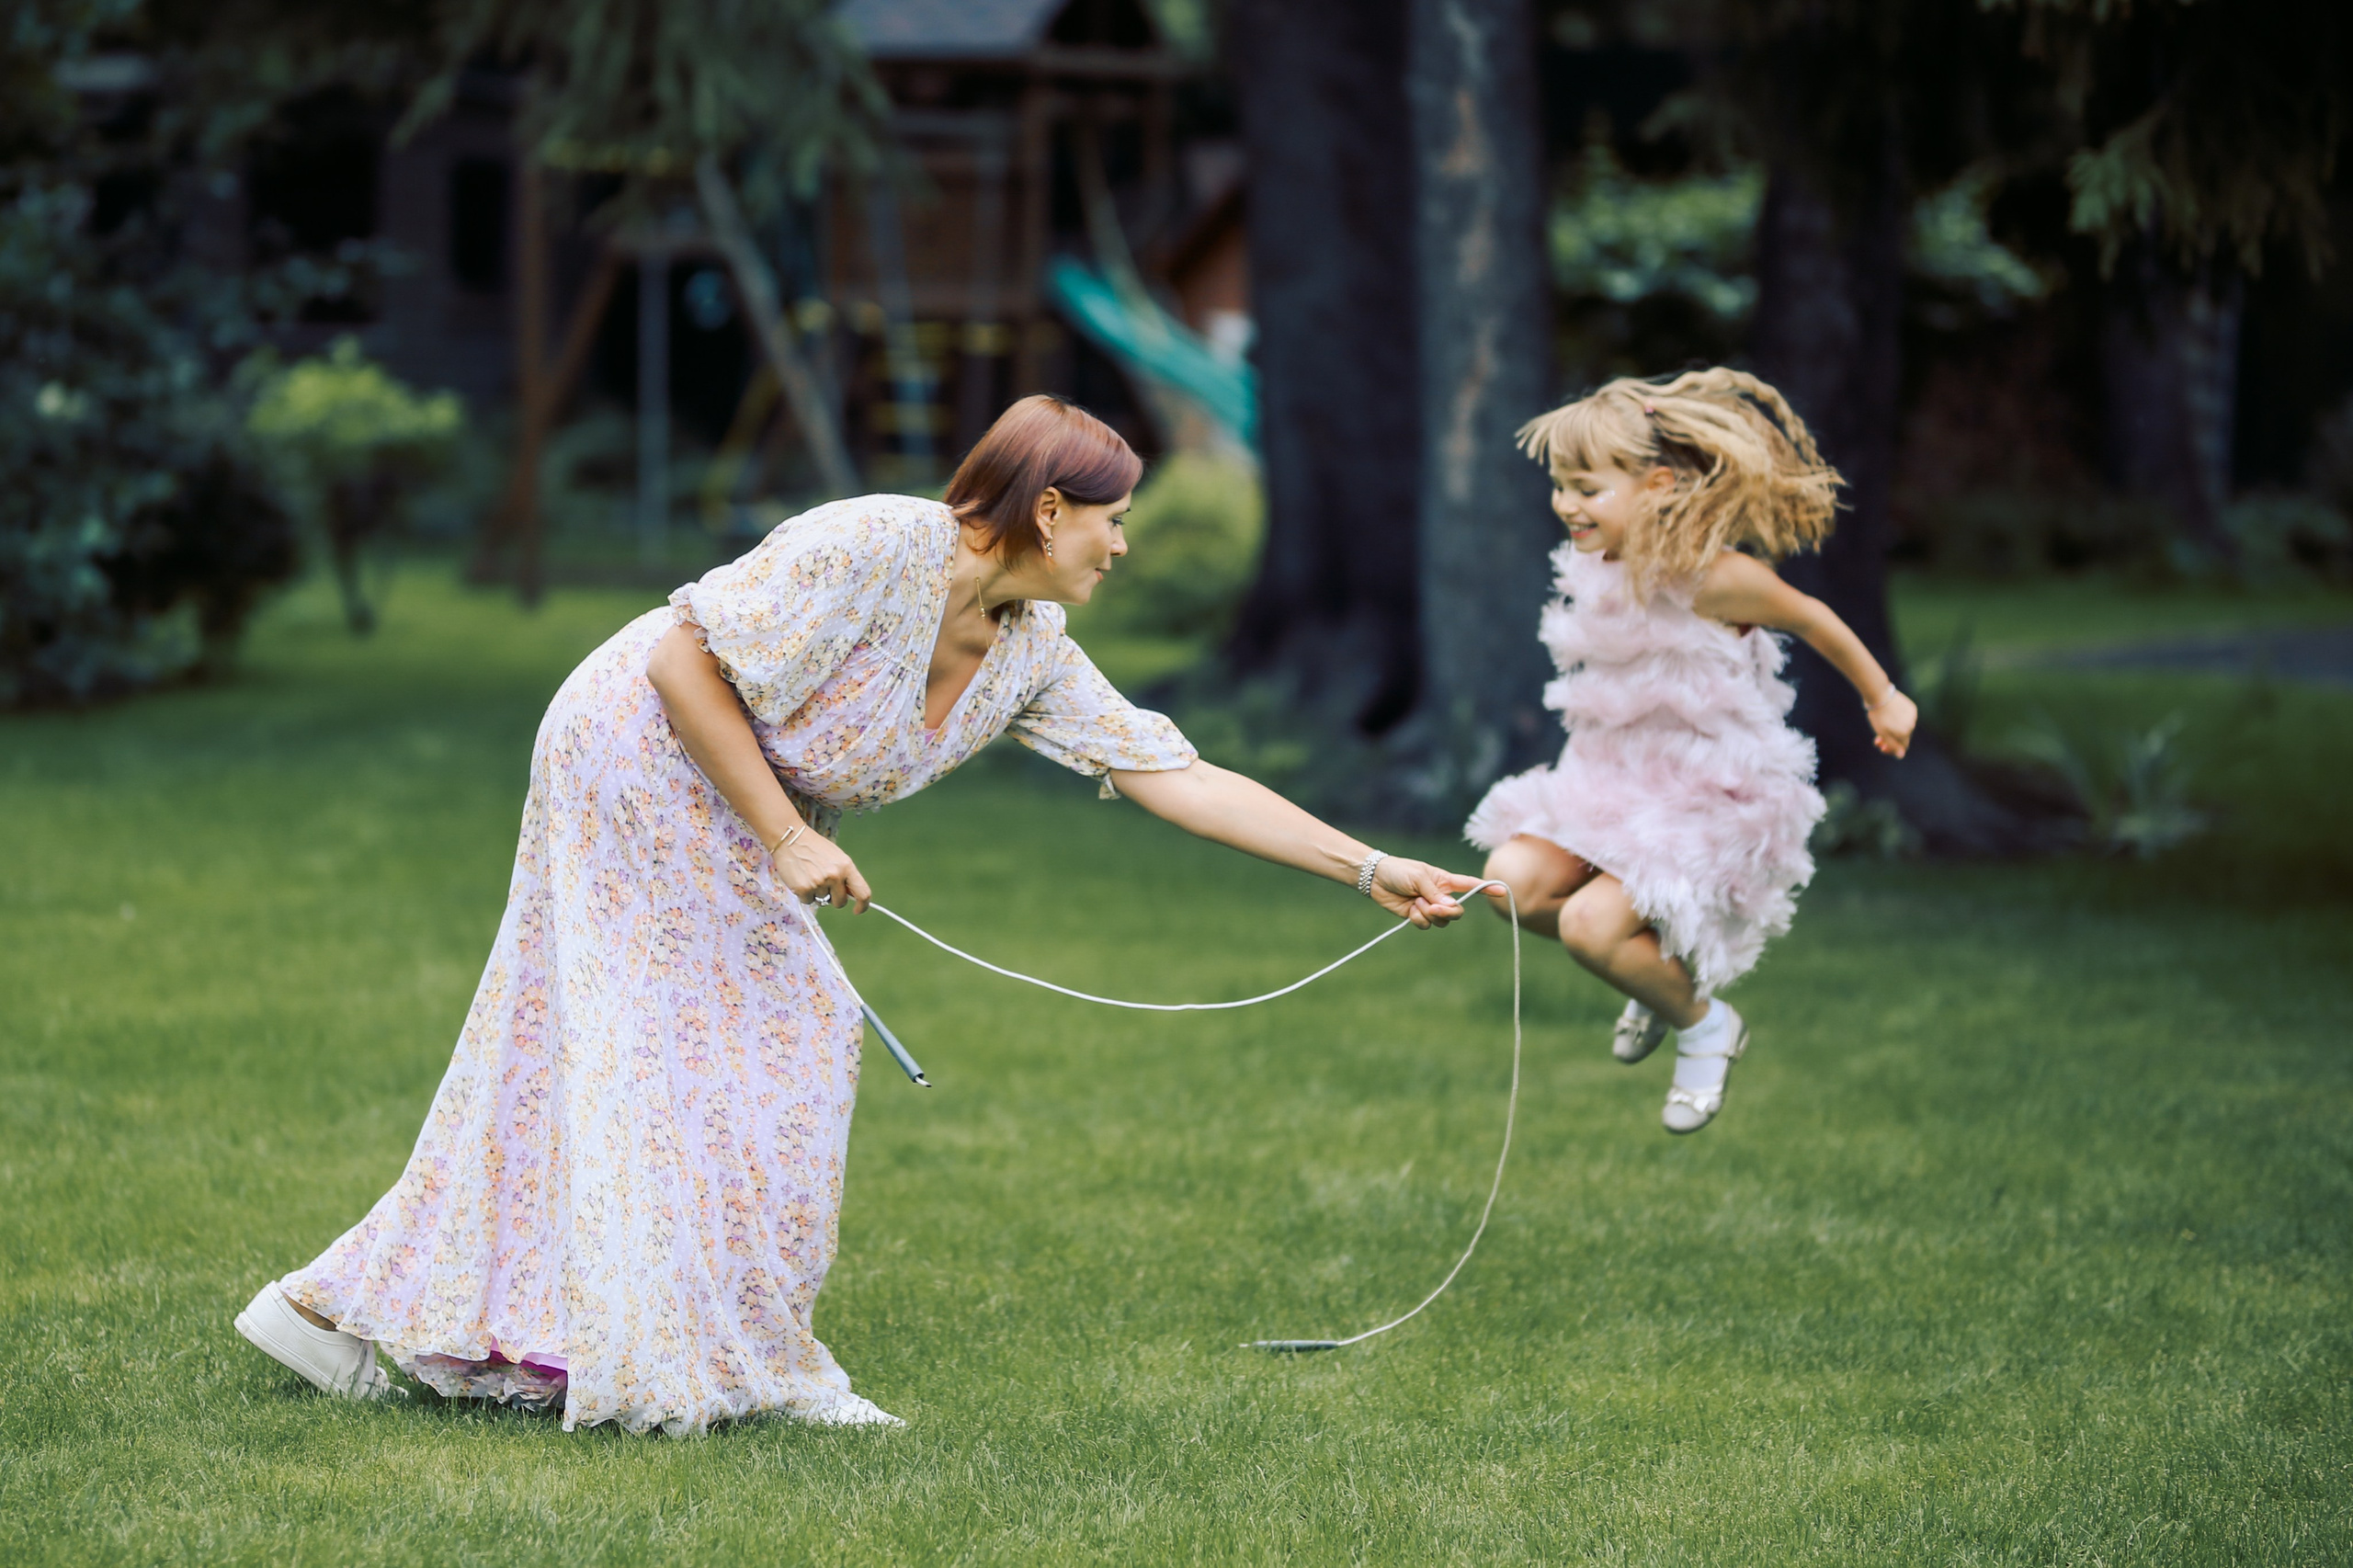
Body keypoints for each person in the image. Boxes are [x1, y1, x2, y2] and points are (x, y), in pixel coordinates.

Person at [233, 395, 1482, 1434]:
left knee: (705, 1053)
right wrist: (786, 836)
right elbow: (679, 659)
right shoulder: (877, 543)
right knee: (746, 1042)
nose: (1122, 546)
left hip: (746, 797)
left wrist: (1369, 866)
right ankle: (713, 1357)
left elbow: (1178, 773)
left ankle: (348, 1309)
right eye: (1113, 520)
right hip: (637, 747)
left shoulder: (1029, 649)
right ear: (1050, 509)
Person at [1467, 369, 1917, 1134]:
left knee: (1590, 928)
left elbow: (1813, 617)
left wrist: (1883, 697)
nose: (1567, 505)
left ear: (1658, 486)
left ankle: (1706, 1026)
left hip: (1705, 792)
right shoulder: (1598, 559)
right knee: (1511, 883)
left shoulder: (1715, 578)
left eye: (1587, 489)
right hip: (1610, 779)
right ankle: (1654, 982)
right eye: (1561, 487)